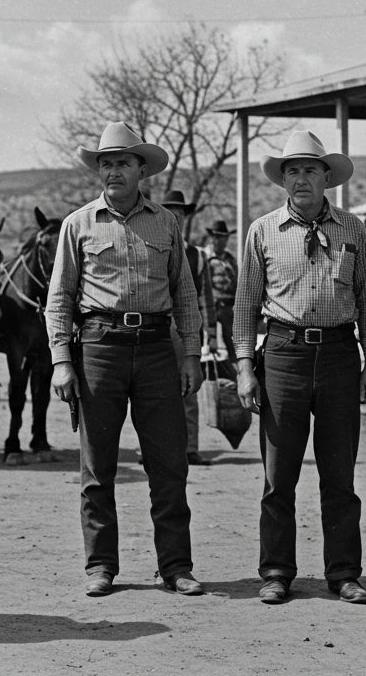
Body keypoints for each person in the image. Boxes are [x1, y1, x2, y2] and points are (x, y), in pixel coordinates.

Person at [45, 122, 204, 598]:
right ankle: (101, 566)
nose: (113, 171)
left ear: (142, 169)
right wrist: (61, 359)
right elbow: (60, 298)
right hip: (98, 349)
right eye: (106, 163)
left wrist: (191, 354)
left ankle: (176, 566)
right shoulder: (78, 224)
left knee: (169, 465)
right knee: (98, 468)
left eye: (122, 163)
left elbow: (185, 295)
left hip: (157, 348)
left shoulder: (166, 222)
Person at [234, 130, 366, 605]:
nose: (301, 179)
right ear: (283, 179)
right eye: (292, 170)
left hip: (340, 355)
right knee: (280, 475)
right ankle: (277, 571)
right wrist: (243, 367)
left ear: (327, 177)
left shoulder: (352, 229)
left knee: (340, 476)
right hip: (283, 355)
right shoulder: (263, 231)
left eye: (310, 170)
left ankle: (344, 573)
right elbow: (244, 306)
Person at [159, 190, 216, 466]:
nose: (176, 219)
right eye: (172, 214)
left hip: (186, 331)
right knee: (155, 391)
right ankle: (158, 450)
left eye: (180, 215)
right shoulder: (153, 247)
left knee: (188, 389)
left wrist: (212, 336)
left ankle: (189, 447)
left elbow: (205, 298)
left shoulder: (198, 255)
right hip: (155, 329)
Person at [204, 219, 238, 361]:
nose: (222, 241)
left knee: (231, 338)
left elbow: (235, 281)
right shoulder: (206, 257)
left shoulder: (230, 259)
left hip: (228, 305)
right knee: (209, 341)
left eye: (224, 237)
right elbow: (204, 285)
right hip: (213, 305)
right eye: (218, 237)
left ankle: (233, 369)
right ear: (213, 238)